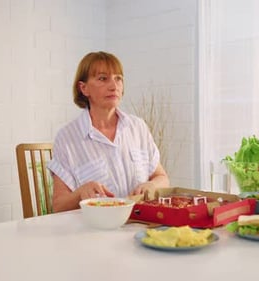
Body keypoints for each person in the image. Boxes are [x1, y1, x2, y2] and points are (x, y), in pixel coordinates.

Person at [47, 51, 170, 212]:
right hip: (94, 231)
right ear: (84, 88)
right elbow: (59, 206)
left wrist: (152, 185)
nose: (114, 86)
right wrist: (80, 194)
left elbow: (162, 178)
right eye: (103, 79)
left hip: (140, 225)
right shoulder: (67, 138)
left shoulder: (138, 127)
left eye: (118, 78)